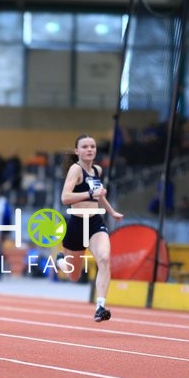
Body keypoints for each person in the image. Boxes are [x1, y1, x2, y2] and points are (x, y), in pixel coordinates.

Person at [55, 134, 123, 322]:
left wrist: (111, 211)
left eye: (92, 146)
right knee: (74, 276)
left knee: (104, 258)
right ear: (77, 151)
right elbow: (65, 198)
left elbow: (99, 195)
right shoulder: (75, 171)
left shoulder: (97, 170)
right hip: (77, 225)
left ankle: (100, 307)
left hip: (94, 222)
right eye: (84, 147)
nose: (89, 149)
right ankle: (60, 261)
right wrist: (88, 193)